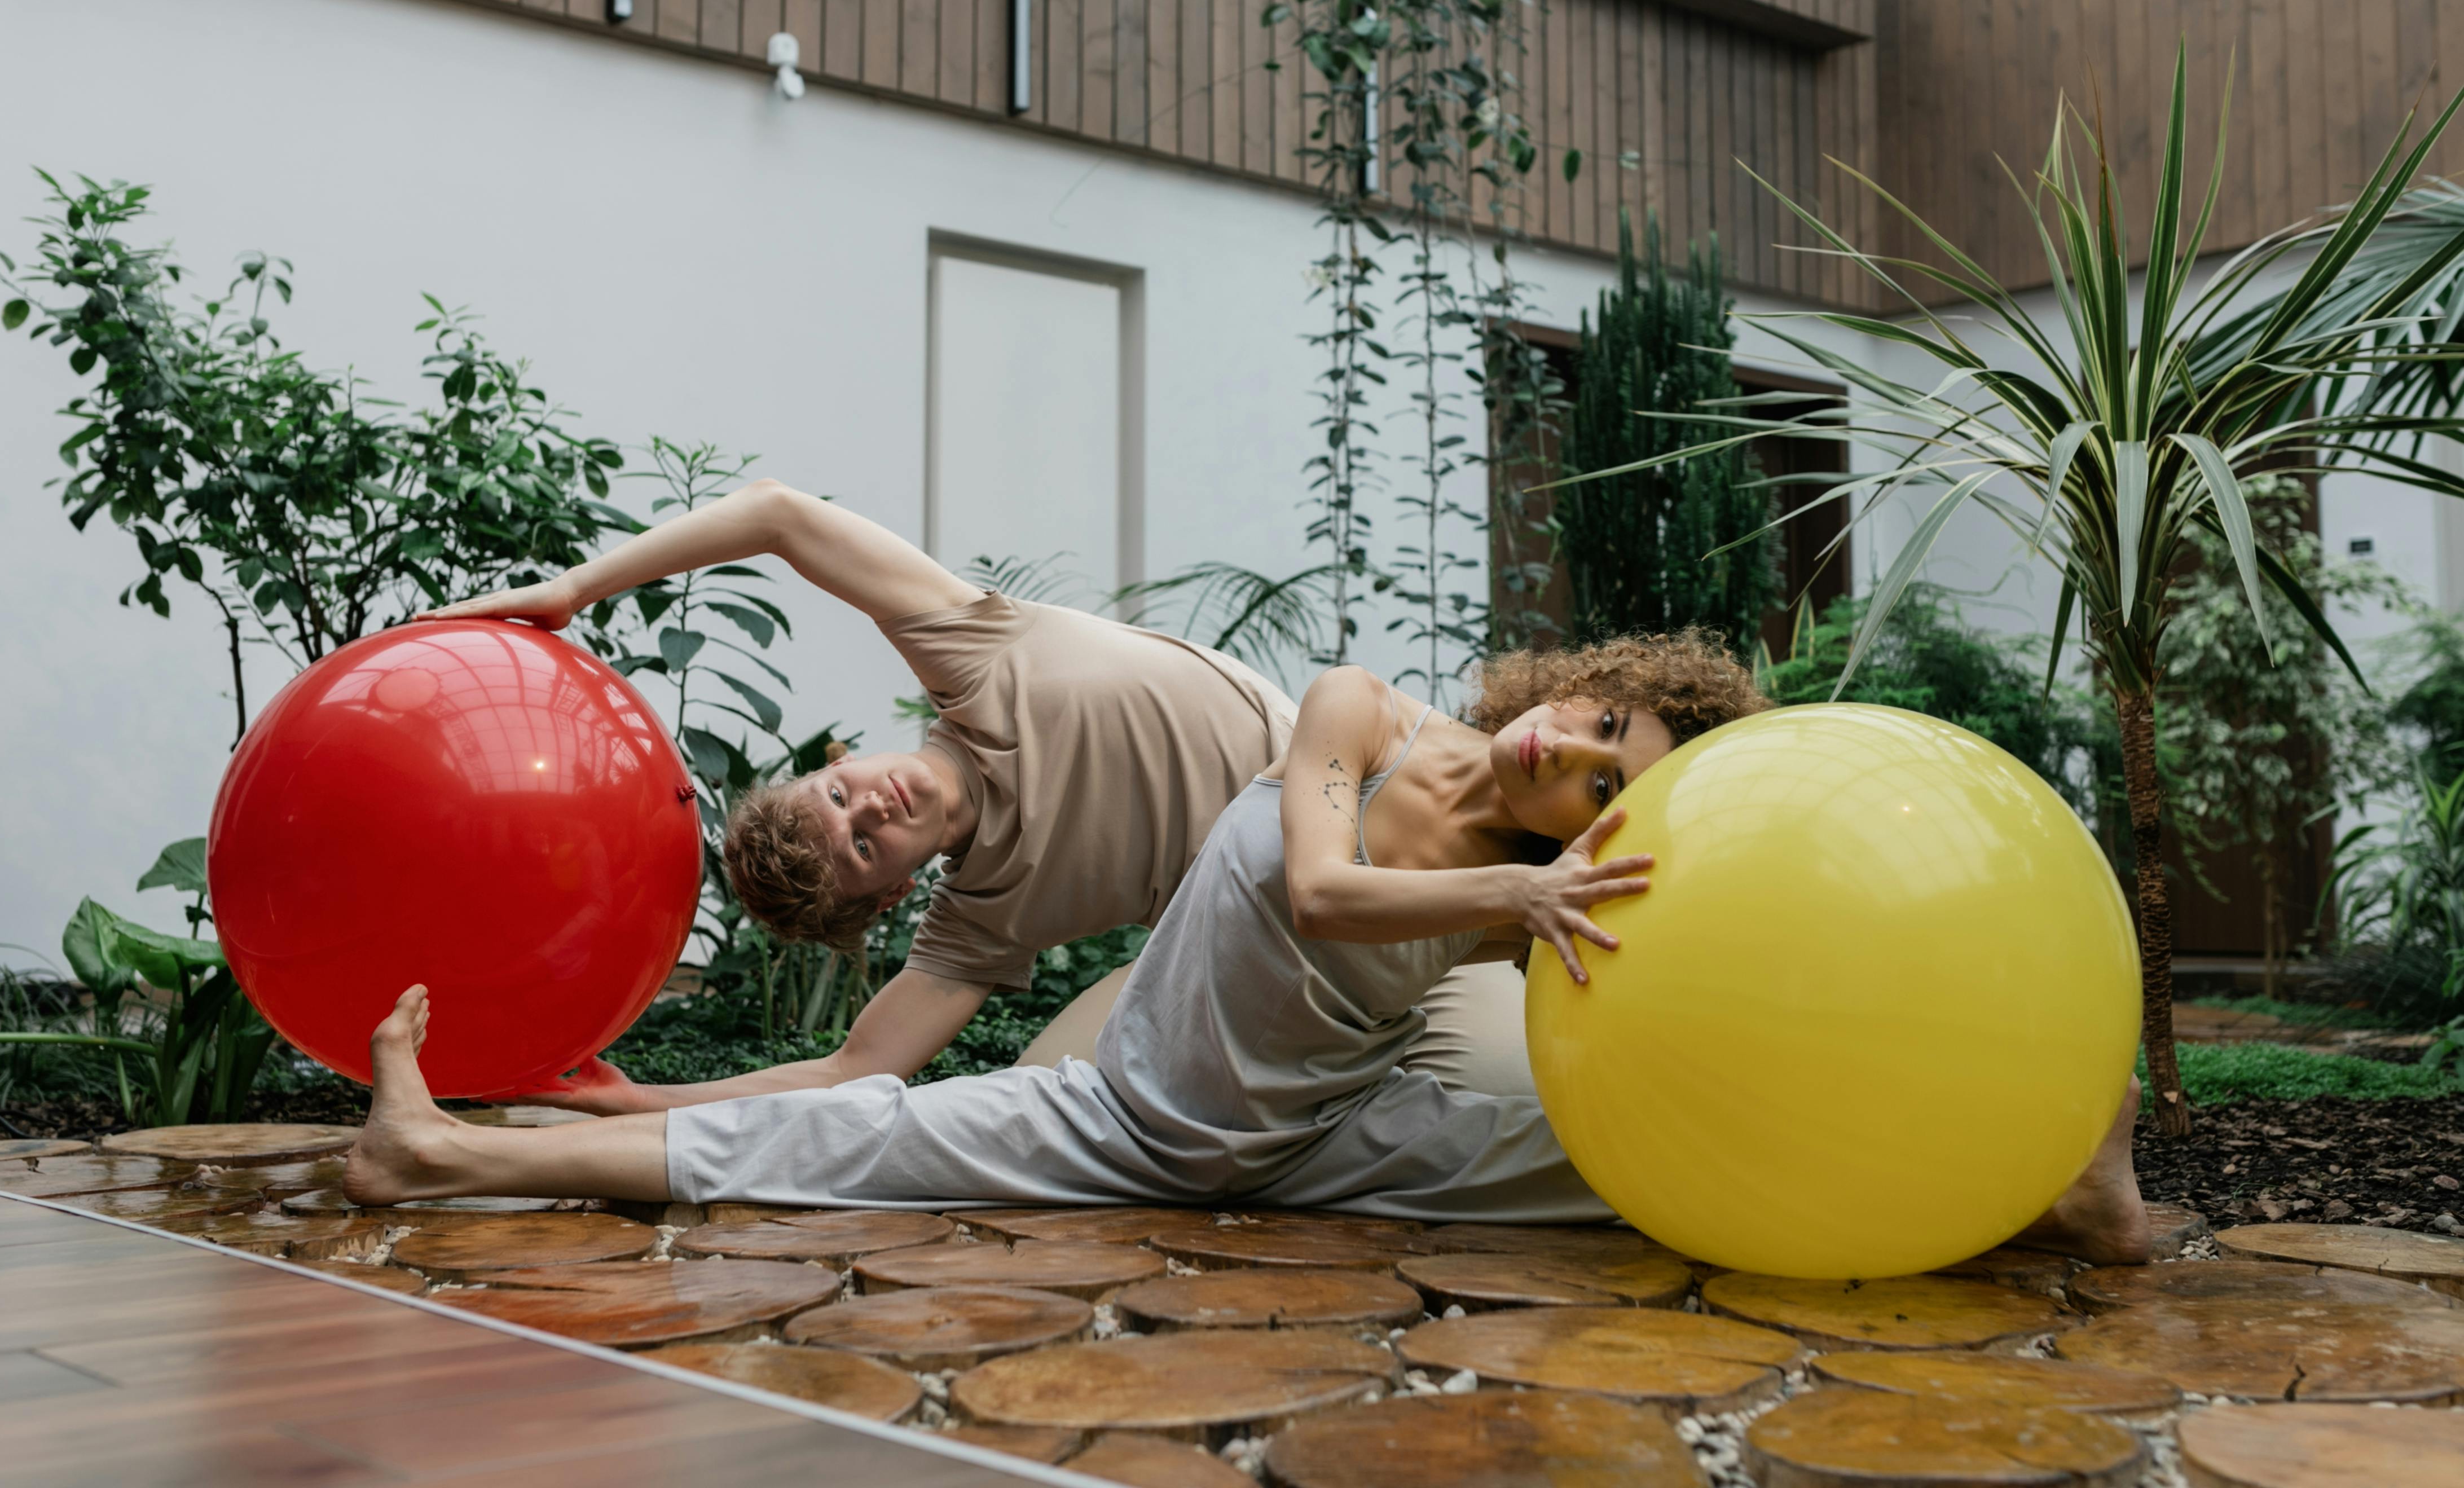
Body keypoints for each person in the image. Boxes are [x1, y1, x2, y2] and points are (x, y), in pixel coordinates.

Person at [342, 636, 2154, 1258]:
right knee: (834, 1147)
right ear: (1581, 685)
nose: (1573, 748)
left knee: (1654, 1173)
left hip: (1325, 1145)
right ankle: (439, 1149)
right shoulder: (1362, 712)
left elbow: (1757, 998)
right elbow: (1314, 890)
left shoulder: (1552, 893)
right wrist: (1519, 901)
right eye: (1600, 714)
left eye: (1605, 776)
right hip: (1135, 1120)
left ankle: (2056, 1192)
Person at [426, 477, 1535, 1107]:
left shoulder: (974, 656)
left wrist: (578, 586)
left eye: (841, 791)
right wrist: (638, 1105)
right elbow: (860, 1066)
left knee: (1538, 1012)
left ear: (844, 749)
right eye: (865, 845)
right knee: (1041, 1110)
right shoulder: (984, 913)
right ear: (894, 890)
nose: (874, 807)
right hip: (1310, 941)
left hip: (1403, 814)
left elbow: (779, 517)